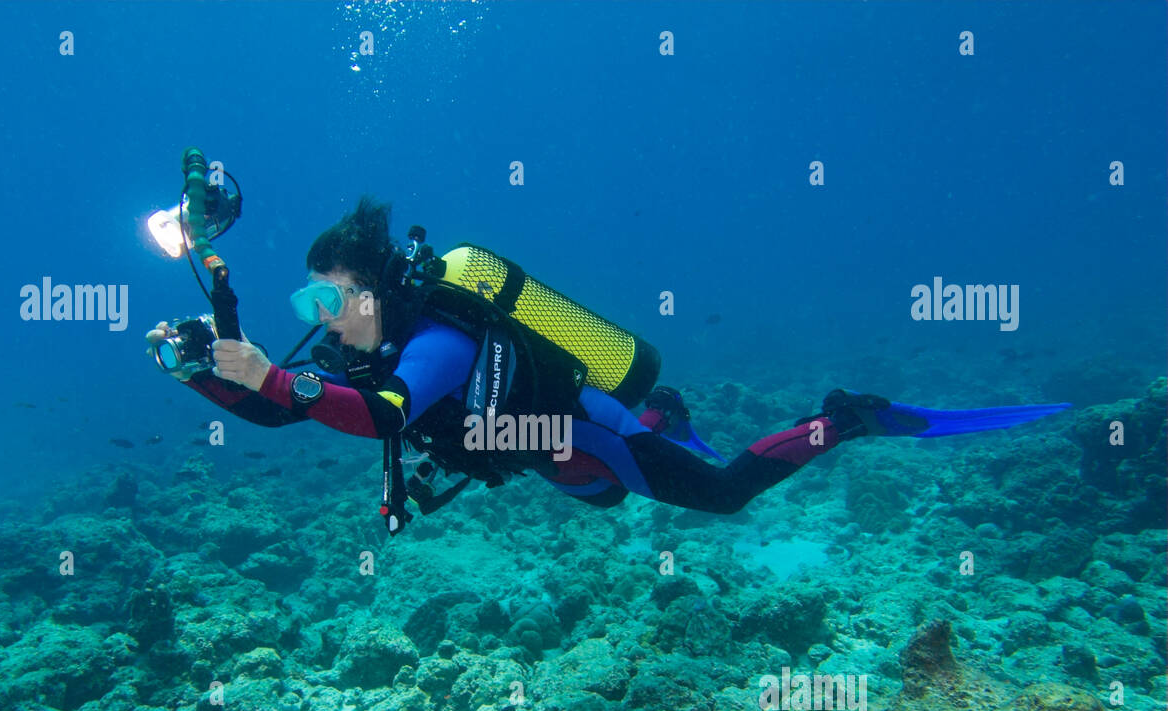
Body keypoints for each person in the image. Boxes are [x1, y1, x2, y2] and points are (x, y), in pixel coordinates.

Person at [147, 197, 1069, 523]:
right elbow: (289, 409)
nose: (316, 317)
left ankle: (849, 414)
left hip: (581, 428)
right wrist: (198, 370)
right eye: (306, 304)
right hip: (552, 455)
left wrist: (272, 373)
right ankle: (661, 413)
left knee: (717, 495)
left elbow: (382, 415)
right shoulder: (376, 350)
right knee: (600, 495)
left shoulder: (433, 342)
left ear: (374, 291)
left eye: (325, 297)